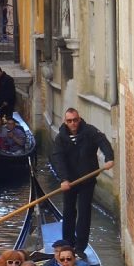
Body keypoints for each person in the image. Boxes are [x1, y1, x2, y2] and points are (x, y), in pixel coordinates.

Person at [51, 107, 114, 255]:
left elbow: (103, 142)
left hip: (87, 179)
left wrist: (109, 158)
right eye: (70, 121)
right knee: (68, 212)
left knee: (84, 212)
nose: (73, 123)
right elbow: (58, 159)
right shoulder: (60, 138)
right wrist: (64, 179)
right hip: (70, 182)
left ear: (79, 119)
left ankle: (80, 248)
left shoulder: (89, 131)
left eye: (75, 120)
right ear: (65, 122)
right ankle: (68, 244)